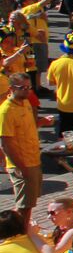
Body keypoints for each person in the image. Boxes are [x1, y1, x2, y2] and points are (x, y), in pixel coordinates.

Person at [0, 74, 43, 222]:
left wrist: (41, 122)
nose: (27, 91)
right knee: (23, 206)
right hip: (22, 164)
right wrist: (21, 167)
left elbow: (27, 129)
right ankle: (18, 234)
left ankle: (19, 231)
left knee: (29, 204)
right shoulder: (6, 111)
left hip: (34, 160)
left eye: (28, 87)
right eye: (22, 88)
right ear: (11, 89)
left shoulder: (25, 103)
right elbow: (6, 143)